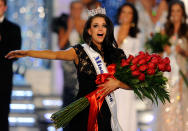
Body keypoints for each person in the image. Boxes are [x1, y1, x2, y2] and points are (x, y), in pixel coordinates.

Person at [5, 12, 132, 131]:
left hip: (106, 112)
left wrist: (117, 84)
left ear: (108, 30)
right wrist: (28, 53)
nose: (100, 29)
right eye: (95, 26)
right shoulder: (80, 51)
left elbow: (132, 84)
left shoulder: (117, 55)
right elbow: (54, 55)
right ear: (89, 30)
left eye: (104, 26)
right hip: (83, 110)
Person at [154, 1, 188, 131]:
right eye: (172, 11)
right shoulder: (164, 31)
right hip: (167, 75)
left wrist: (182, 51)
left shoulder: (186, 31)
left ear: (182, 13)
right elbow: (158, 55)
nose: (175, 14)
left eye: (178, 11)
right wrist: (164, 50)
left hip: (182, 75)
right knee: (166, 107)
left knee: (182, 105)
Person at [113, 2, 144, 131]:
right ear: (120, 14)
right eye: (124, 12)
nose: (126, 15)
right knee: (114, 108)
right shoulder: (112, 30)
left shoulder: (137, 35)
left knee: (126, 109)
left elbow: (138, 56)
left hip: (127, 78)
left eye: (129, 13)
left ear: (133, 16)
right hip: (112, 74)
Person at [0, 0, 22, 131]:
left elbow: (15, 53)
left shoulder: (13, 29)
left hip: (3, 76)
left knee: (2, 111)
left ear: (5, 8)